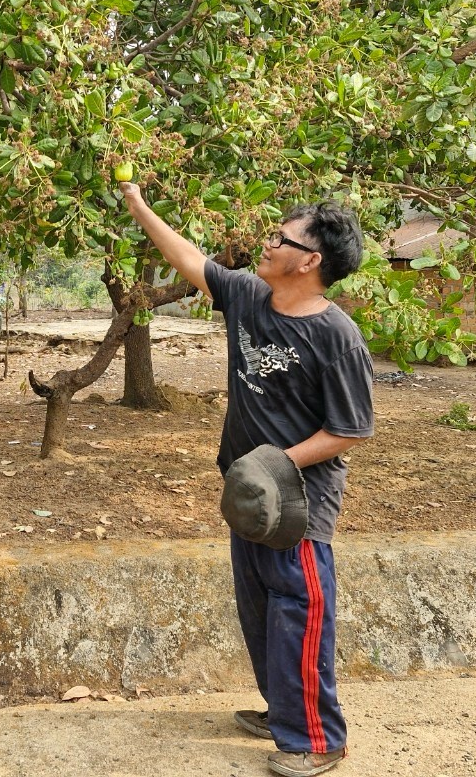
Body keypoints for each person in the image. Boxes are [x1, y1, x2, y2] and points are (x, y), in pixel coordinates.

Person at [119, 182, 375, 777]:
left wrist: (275, 463)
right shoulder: (248, 296)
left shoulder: (337, 336)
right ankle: (283, 707)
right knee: (259, 609)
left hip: (299, 505)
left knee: (299, 611)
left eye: (279, 239)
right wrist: (137, 203)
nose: (266, 244)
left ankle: (316, 738)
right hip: (249, 497)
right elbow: (186, 257)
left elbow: (349, 430)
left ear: (309, 261)